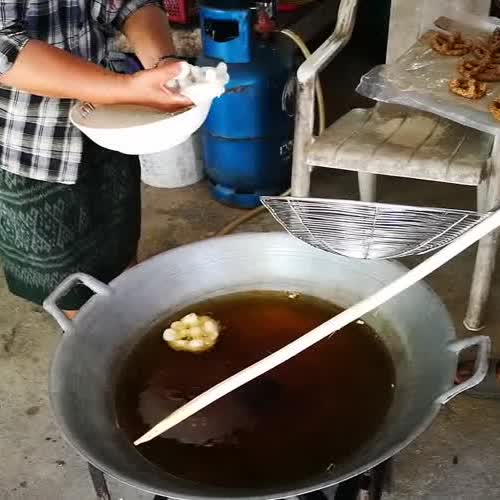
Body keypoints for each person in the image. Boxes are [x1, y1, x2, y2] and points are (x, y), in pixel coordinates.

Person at [0, 0, 192, 316]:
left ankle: (134, 325)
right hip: (32, 148)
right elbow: (4, 46)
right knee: (73, 294)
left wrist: (164, 66)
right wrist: (123, 88)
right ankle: (100, 340)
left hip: (107, 127)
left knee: (119, 252)